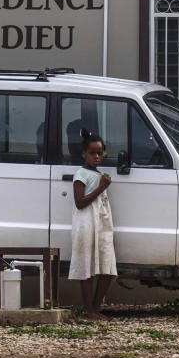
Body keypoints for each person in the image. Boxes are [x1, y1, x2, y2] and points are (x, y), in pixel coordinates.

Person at [69, 129, 117, 320]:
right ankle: (89, 311)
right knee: (87, 267)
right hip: (86, 224)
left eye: (100, 153)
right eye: (92, 153)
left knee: (107, 267)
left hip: (102, 224)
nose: (97, 157)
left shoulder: (99, 175)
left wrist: (102, 185)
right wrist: (102, 187)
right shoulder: (81, 174)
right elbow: (79, 202)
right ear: (84, 154)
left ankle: (95, 309)